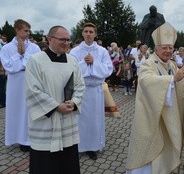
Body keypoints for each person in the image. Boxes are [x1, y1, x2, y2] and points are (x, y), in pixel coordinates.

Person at [126, 22, 184, 174]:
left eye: (170, 48)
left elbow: (180, 86)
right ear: (156, 48)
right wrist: (173, 80)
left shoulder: (172, 66)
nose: (168, 51)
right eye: (164, 47)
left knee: (166, 149)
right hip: (151, 116)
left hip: (169, 116)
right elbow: (145, 81)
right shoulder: (148, 63)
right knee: (149, 151)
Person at [25, 25, 85, 174]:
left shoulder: (72, 61)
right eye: (62, 39)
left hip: (67, 119)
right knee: (45, 165)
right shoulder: (36, 60)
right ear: (49, 39)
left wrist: (74, 102)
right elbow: (33, 90)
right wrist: (56, 106)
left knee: (68, 163)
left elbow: (80, 85)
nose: (66, 43)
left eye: (68, 39)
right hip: (46, 123)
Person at [70, 22, 113, 160]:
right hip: (80, 91)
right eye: (86, 31)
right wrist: (84, 63)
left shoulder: (102, 51)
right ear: (82, 33)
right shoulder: (75, 52)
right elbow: (71, 69)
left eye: (91, 32)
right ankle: (79, 145)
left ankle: (93, 147)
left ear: (95, 34)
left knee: (95, 120)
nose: (88, 34)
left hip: (95, 91)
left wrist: (94, 62)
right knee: (79, 119)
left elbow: (108, 69)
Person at [0, 19, 40, 152]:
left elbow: (38, 65)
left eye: (29, 30)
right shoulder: (6, 48)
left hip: (31, 82)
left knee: (29, 110)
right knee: (16, 110)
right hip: (15, 84)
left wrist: (24, 58)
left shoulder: (34, 47)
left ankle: (29, 139)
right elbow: (9, 67)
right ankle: (16, 137)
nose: (28, 33)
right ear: (17, 30)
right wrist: (19, 55)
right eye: (25, 30)